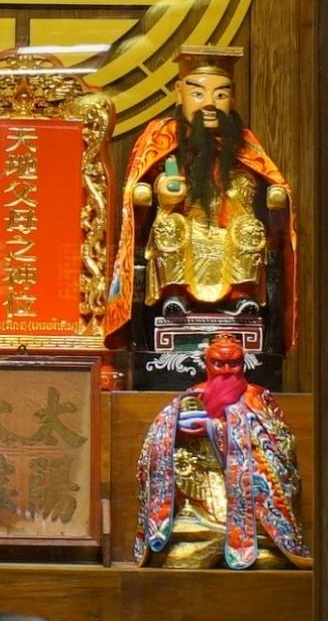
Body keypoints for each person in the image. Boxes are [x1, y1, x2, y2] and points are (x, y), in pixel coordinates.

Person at [116, 46, 297, 353]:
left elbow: (270, 184)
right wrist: (161, 191)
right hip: (185, 224)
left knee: (250, 229)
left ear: (232, 98)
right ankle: (174, 295)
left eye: (221, 94)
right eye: (198, 94)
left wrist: (271, 194)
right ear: (179, 94)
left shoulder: (245, 145)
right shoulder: (161, 138)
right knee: (170, 228)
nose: (210, 103)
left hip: (229, 226)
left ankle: (241, 297)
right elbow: (138, 191)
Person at [135, 333, 312, 569]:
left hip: (251, 501)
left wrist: (214, 428)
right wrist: (175, 428)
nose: (227, 370)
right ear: (206, 364)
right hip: (201, 498)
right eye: (219, 364)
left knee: (267, 561)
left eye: (234, 364)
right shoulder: (192, 396)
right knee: (180, 559)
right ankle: (210, 537)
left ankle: (257, 545)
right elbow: (162, 443)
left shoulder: (257, 398)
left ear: (244, 364)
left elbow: (280, 444)